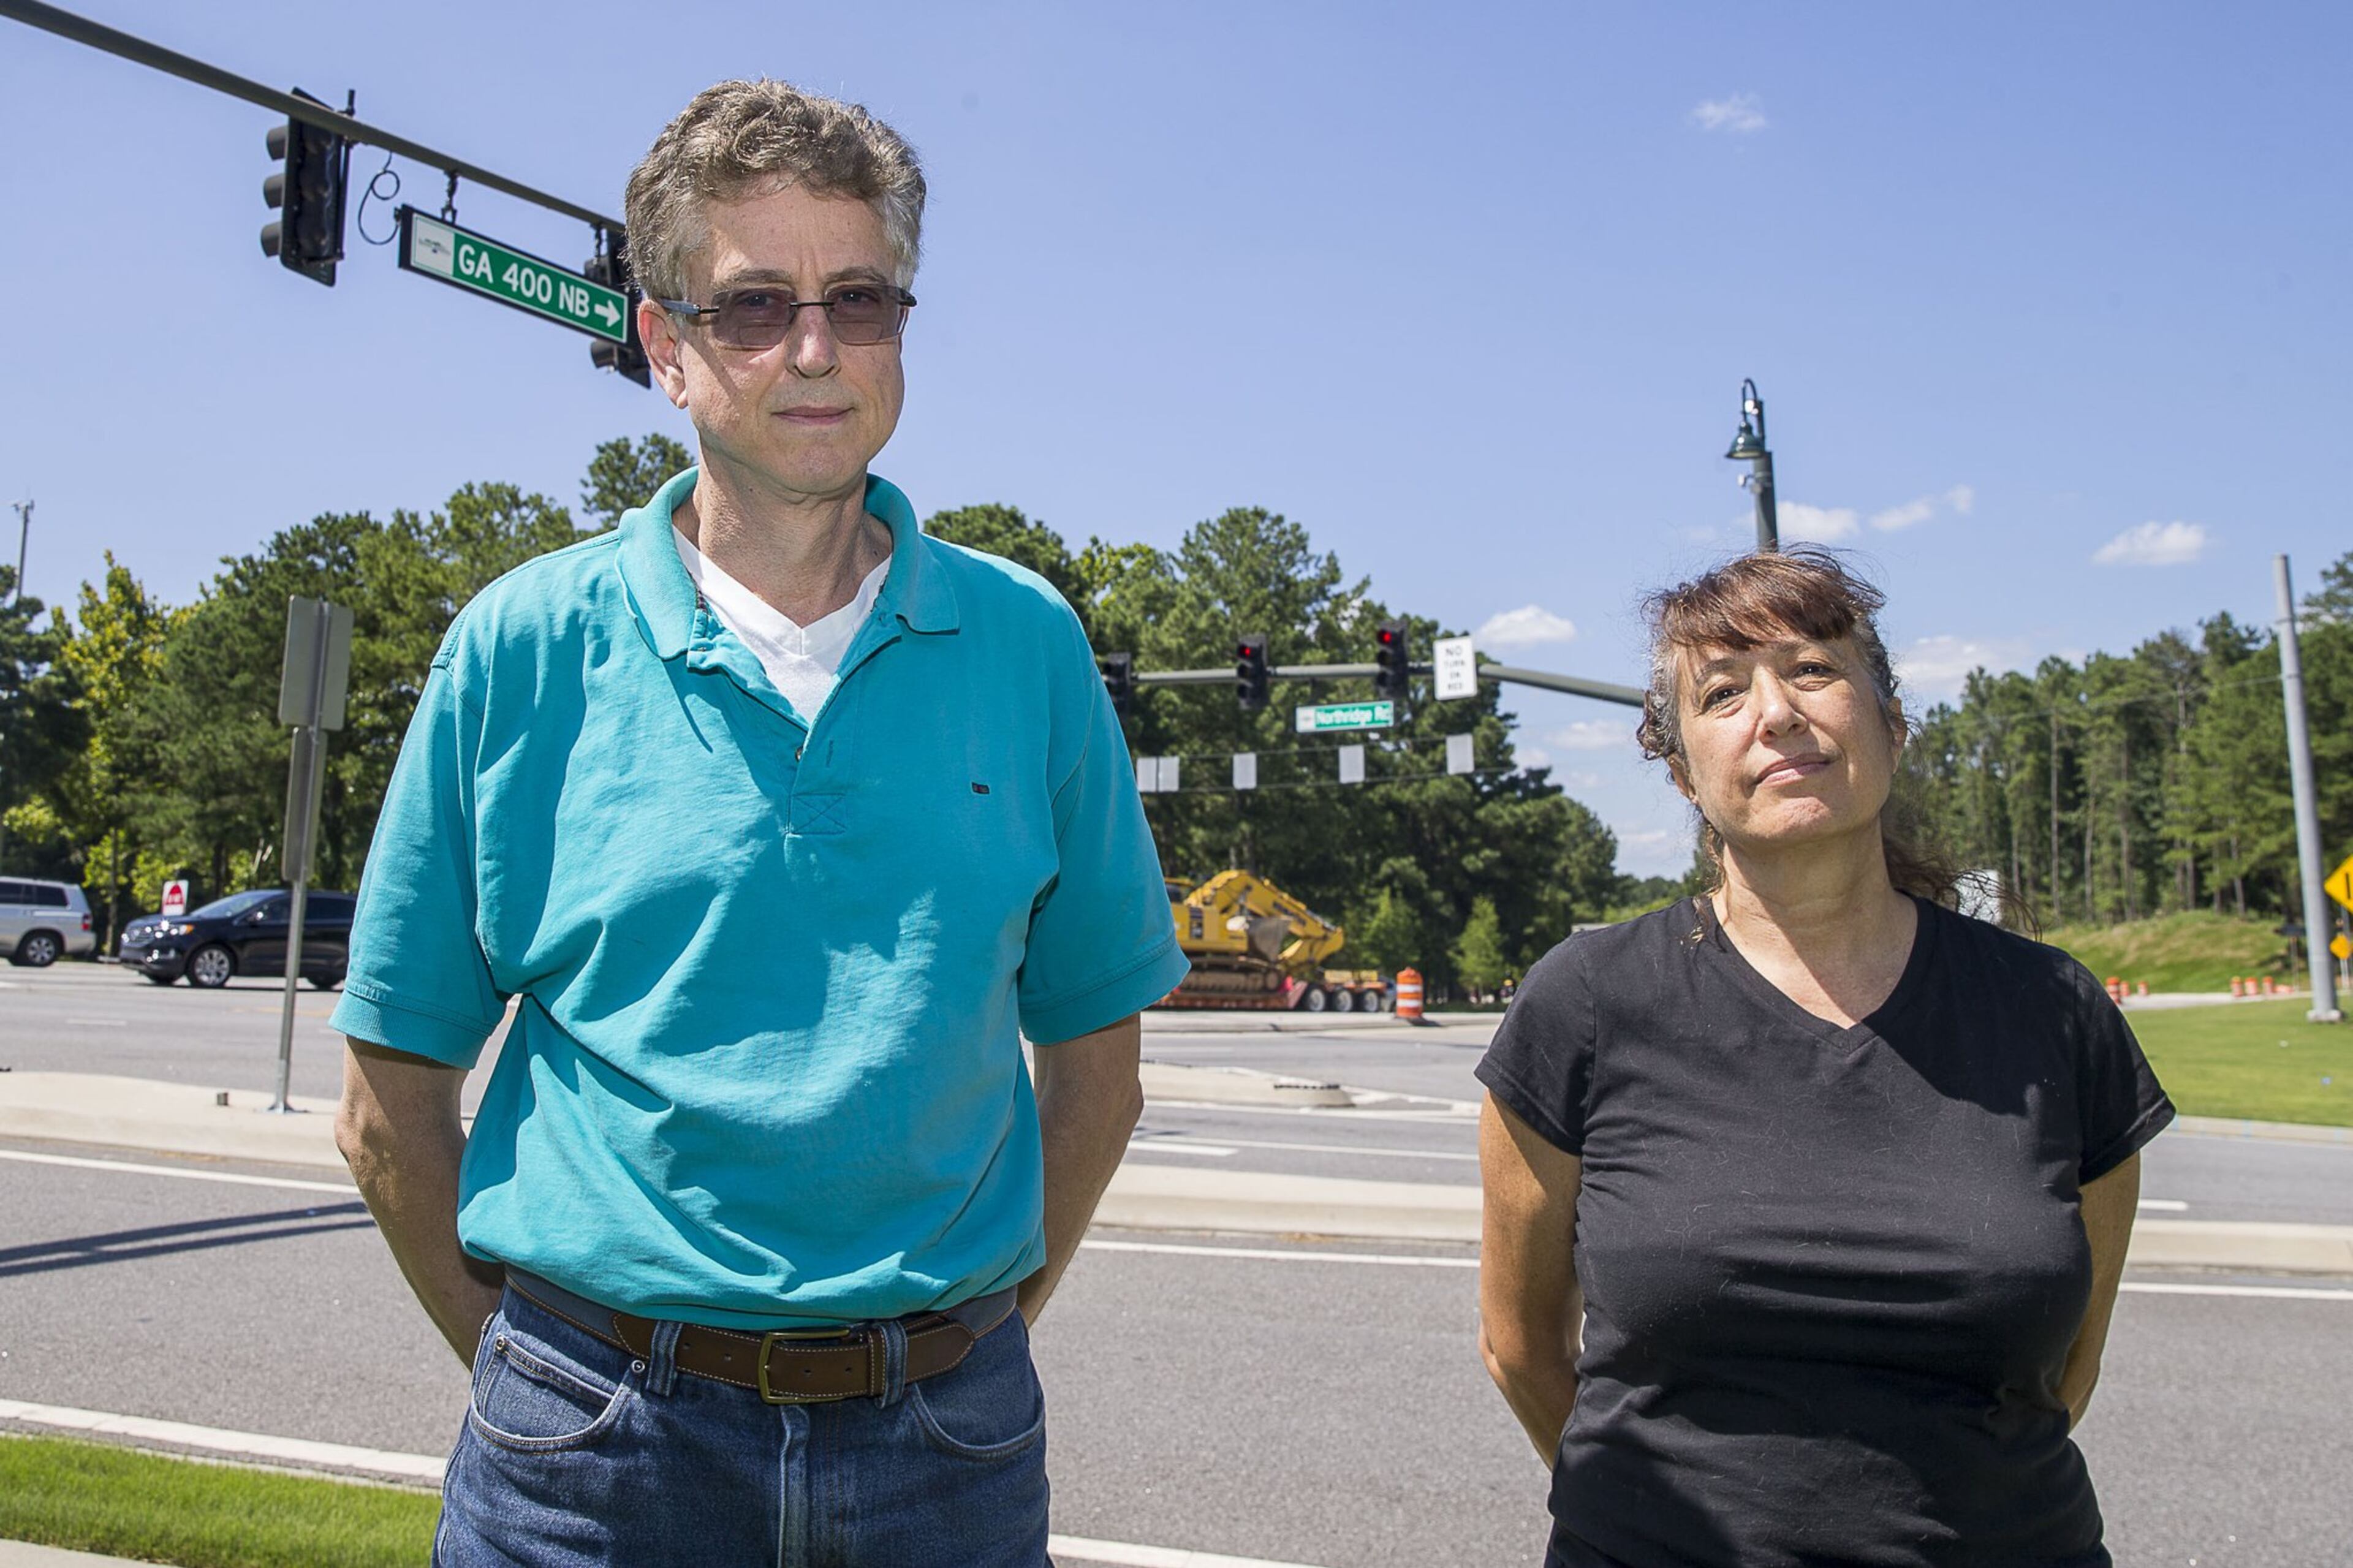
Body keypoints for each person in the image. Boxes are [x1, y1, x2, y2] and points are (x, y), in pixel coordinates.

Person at [330, 78, 1188, 1567]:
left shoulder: (1030, 644)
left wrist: (963, 1337)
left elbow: (1097, 1074)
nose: (815, 348)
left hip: (953, 1453)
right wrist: (531, 1367)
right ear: (664, 345)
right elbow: (390, 1102)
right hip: (588, 1455)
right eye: (753, 305)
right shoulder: (518, 648)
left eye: (860, 299)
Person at [1475, 548, 2172, 1568]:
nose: (1777, 714)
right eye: (1722, 693)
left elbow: (2070, 1365)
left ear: (1890, 725)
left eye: (1813, 671)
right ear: (1681, 771)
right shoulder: (1585, 1002)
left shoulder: (2051, 1008)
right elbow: (1523, 1348)